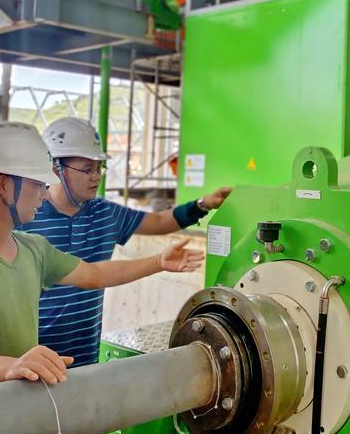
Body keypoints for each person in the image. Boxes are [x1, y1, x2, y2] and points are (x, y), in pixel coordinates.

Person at [0, 122, 204, 397]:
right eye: (38, 184)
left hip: (15, 417)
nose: (44, 194)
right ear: (4, 185)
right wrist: (10, 367)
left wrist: (158, 262)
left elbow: (94, 275)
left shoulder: (32, 249)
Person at [19, 117, 230, 368]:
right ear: (56, 168)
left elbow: (159, 221)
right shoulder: (27, 216)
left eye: (99, 168)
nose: (96, 177)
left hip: (85, 356)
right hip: (32, 357)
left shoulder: (105, 213)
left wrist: (202, 205)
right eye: (87, 169)